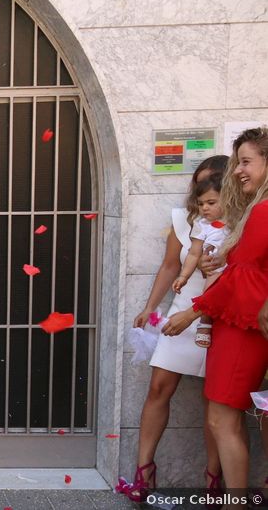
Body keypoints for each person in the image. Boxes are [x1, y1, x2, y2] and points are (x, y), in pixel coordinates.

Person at [164, 126, 268, 500]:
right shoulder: (256, 210)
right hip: (238, 326)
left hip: (243, 329)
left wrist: (192, 313)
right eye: (237, 161)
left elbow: (245, 279)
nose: (238, 170)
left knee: (222, 419)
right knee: (224, 419)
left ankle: (235, 504)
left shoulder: (264, 211)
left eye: (246, 162)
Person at [120, 155, 228, 501]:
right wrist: (150, 307)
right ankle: (144, 473)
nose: (201, 191)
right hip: (181, 315)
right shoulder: (184, 221)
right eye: (198, 184)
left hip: (221, 319)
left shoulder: (239, 223)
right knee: (158, 389)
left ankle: (214, 481)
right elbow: (170, 266)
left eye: (210, 184)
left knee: (217, 404)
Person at [171, 177, 227, 348]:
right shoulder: (202, 225)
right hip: (214, 269)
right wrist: (183, 276)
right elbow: (194, 253)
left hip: (235, 267)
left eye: (211, 202)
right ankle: (205, 323)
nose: (205, 208)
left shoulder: (235, 220)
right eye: (201, 204)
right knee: (210, 287)